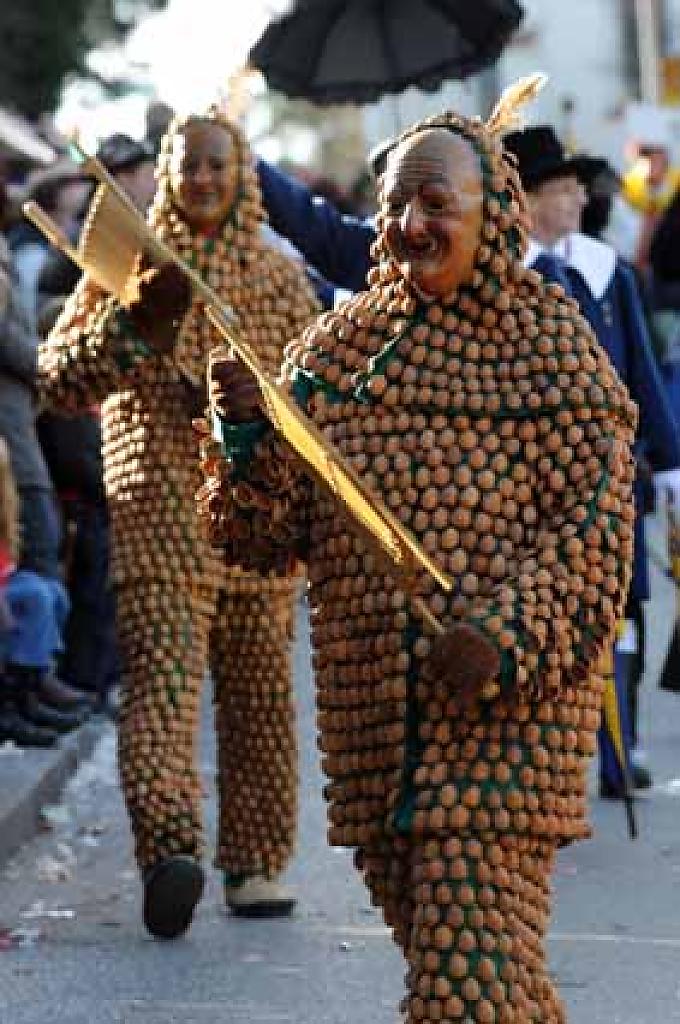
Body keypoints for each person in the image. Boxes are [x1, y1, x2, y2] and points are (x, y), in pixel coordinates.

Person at [199, 104, 636, 1024]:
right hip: (373, 731)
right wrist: (246, 431)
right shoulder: (335, 351)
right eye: (397, 205)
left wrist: (502, 638)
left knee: (457, 984)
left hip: (505, 719)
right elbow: (263, 540)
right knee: (491, 978)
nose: (411, 226)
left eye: (436, 202)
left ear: (493, 216)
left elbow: (594, 534)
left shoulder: (552, 348)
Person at [38, 107, 319, 938]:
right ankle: (170, 851)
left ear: (242, 177)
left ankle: (257, 861)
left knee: (262, 700)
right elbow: (59, 379)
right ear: (164, 174)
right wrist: (136, 327)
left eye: (216, 165)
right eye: (187, 166)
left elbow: (318, 396)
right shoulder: (126, 263)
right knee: (162, 690)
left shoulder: (277, 275)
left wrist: (254, 411)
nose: (201, 179)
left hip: (258, 520)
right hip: (158, 509)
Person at [502, 124, 680, 798]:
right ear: (528, 198)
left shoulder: (605, 272)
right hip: (530, 484)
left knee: (621, 610)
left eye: (580, 188)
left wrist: (667, 463)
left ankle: (617, 745)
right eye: (564, 188)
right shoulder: (506, 277)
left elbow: (640, 371)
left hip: (612, 479)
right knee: (544, 615)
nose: (580, 200)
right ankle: (544, 754)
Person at [0, 209, 90, 743]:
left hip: (18, 425)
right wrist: (53, 363)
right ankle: (21, 692)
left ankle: (35, 684)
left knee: (41, 559)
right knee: (31, 553)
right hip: (7, 435)